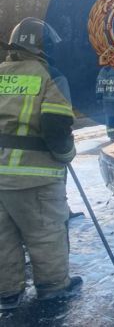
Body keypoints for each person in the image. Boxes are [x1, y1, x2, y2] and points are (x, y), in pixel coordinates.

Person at [0, 18, 83, 310]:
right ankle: (53, 288)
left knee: (3, 239)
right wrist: (66, 154)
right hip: (34, 178)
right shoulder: (51, 76)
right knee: (45, 233)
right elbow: (56, 125)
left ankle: (7, 293)